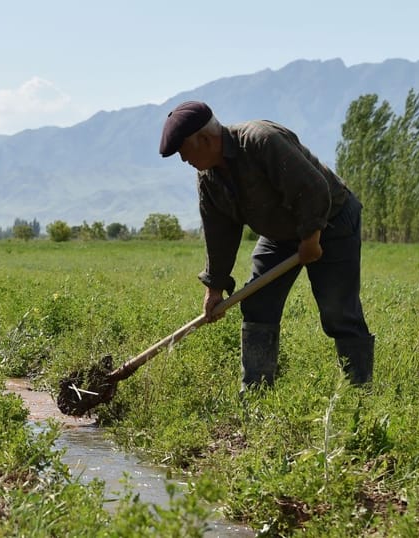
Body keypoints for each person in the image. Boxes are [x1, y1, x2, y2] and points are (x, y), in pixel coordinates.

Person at [158, 100, 374, 389]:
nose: (184, 160)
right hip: (280, 234)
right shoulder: (209, 178)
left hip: (330, 220)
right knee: (257, 303)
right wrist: (214, 287)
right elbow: (219, 233)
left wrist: (311, 239)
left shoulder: (260, 141)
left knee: (338, 311)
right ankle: (256, 394)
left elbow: (313, 189)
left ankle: (359, 392)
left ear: (206, 139)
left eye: (185, 152)